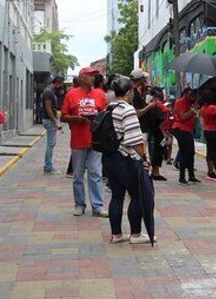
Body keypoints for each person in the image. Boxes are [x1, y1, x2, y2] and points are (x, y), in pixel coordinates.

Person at [106, 76, 154, 245]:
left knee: (117, 196)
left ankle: (116, 234)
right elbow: (135, 140)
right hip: (126, 159)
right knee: (138, 195)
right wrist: (144, 158)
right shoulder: (127, 110)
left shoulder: (109, 108)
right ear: (128, 93)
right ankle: (135, 234)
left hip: (111, 158)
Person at [60, 67, 108, 216]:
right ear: (81, 78)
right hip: (78, 140)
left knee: (95, 173)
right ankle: (79, 204)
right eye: (90, 75)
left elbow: (105, 115)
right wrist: (75, 119)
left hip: (96, 141)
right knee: (78, 175)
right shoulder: (71, 95)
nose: (93, 78)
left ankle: (98, 206)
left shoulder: (100, 94)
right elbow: (63, 116)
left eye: (94, 76)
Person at [130, 68, 165, 181]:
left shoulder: (138, 92)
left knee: (142, 153)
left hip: (144, 127)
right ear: (139, 79)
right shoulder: (133, 94)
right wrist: (149, 106)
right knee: (140, 154)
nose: (145, 80)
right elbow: (137, 112)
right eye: (143, 78)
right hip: (140, 128)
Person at [171, 88, 200, 185]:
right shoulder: (180, 102)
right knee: (184, 152)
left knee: (191, 152)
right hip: (180, 129)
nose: (194, 97)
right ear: (187, 94)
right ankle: (182, 177)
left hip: (187, 130)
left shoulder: (190, 103)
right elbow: (182, 116)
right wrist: (193, 110)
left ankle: (191, 176)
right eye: (193, 95)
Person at [41, 76, 65, 174]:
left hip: (50, 120)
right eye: (61, 84)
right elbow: (48, 108)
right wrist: (55, 121)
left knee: (51, 143)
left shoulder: (50, 92)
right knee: (50, 144)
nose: (61, 87)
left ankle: (48, 165)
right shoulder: (48, 92)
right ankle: (48, 166)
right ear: (57, 83)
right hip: (49, 121)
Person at [198, 89, 216, 181]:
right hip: (214, 131)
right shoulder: (213, 108)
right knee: (214, 151)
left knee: (209, 150)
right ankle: (211, 172)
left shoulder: (203, 108)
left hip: (206, 130)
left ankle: (210, 170)